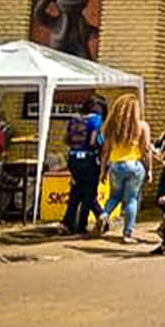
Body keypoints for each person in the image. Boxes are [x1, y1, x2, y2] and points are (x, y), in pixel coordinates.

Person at [97, 94, 156, 243]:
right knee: (131, 199)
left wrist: (103, 170)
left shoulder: (111, 127)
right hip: (134, 165)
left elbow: (106, 150)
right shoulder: (142, 126)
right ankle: (127, 233)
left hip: (115, 165)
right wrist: (149, 169)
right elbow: (146, 149)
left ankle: (104, 214)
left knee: (114, 196)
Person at [61, 96, 104, 235]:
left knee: (76, 192)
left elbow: (65, 139)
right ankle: (99, 216)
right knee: (89, 193)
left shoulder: (74, 119)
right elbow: (92, 141)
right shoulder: (95, 119)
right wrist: (100, 147)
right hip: (89, 160)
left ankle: (69, 223)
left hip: (73, 159)